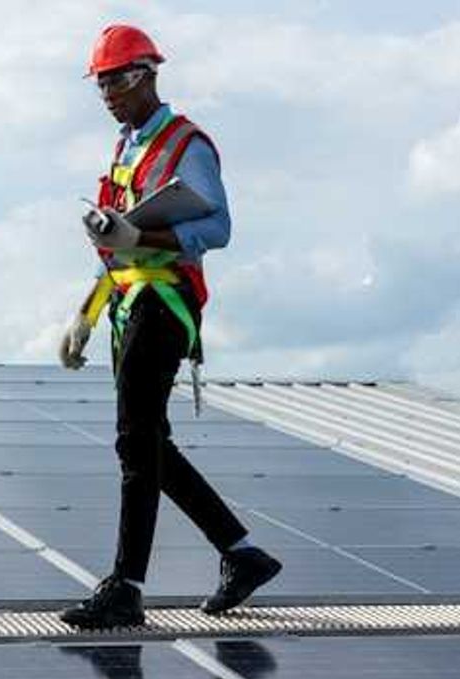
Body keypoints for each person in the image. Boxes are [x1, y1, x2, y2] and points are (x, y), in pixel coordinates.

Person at [58, 24, 281, 629]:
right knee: (150, 442)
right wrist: (87, 312)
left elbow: (219, 229)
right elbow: (121, 246)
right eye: (102, 85)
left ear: (148, 75)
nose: (109, 96)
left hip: (166, 304)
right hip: (130, 303)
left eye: (118, 82)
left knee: (135, 440)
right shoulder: (127, 147)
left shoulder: (187, 144)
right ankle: (243, 555)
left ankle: (126, 587)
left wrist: (145, 235)